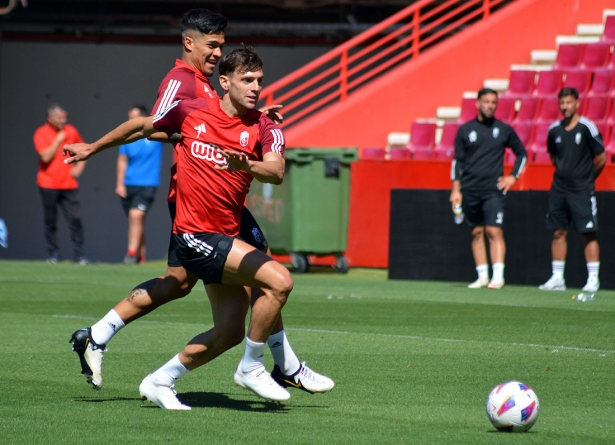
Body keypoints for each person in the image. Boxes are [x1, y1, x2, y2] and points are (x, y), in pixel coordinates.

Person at [65, 45, 334, 409]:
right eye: (247, 80)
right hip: (194, 235)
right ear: (224, 82)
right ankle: (259, 367)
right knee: (279, 280)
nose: (256, 87)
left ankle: (160, 380)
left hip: (225, 234)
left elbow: (276, 170)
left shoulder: (265, 126)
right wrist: (92, 148)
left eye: (259, 80)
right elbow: (143, 127)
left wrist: (246, 166)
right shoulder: (190, 108)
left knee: (229, 331)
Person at [449, 88, 527, 289]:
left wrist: (513, 176)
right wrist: (456, 189)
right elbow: (457, 161)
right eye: (486, 102)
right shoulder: (465, 130)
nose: (490, 106)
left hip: (493, 189)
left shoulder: (503, 129)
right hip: (470, 188)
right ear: (477, 103)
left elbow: (522, 154)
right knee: (476, 232)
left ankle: (498, 276)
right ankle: (482, 276)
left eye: (493, 102)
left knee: (494, 230)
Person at [538, 87, 606, 293]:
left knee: (587, 232)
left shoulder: (588, 127)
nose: (565, 107)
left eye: (568, 103)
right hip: (559, 189)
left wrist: (587, 178)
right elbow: (553, 158)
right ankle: (558, 278)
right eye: (562, 103)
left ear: (577, 103)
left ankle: (593, 278)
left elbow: (601, 158)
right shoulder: (554, 130)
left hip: (582, 190)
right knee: (558, 232)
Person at [33, 104, 88, 265]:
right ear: (50, 118)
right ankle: (53, 255)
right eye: (60, 118)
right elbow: (45, 157)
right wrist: (58, 140)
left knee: (75, 220)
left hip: (69, 185)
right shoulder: (41, 133)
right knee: (50, 221)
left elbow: (84, 149)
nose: (64, 121)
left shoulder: (71, 130)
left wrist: (79, 167)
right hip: (47, 184)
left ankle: (80, 255)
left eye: (65, 117)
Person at [116, 105, 164, 264]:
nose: (130, 121)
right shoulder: (127, 137)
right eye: (129, 118)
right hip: (129, 184)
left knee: (136, 216)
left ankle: (130, 254)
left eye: (133, 118)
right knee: (137, 221)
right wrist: (120, 184)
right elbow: (122, 161)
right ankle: (141, 257)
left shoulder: (154, 134)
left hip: (148, 184)